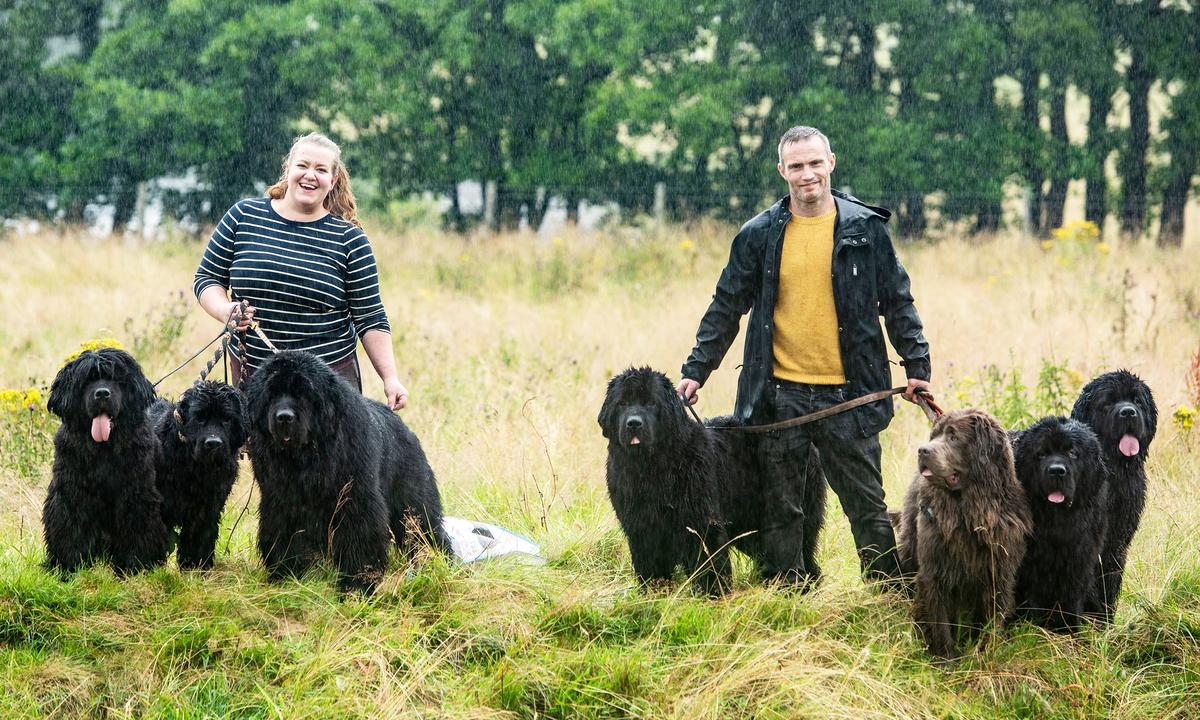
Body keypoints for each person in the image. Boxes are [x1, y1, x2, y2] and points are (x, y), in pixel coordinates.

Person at [676, 125, 931, 586]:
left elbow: (897, 302)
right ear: (782, 171)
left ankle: (886, 593)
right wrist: (696, 370)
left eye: (815, 163)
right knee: (781, 507)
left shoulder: (866, 230)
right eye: (796, 166)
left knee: (867, 506)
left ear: (831, 163)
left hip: (850, 396)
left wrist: (917, 367)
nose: (807, 174)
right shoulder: (758, 235)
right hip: (780, 396)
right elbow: (726, 306)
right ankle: (786, 592)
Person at [194, 132, 409, 410]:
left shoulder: (350, 240)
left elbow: (370, 316)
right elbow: (208, 277)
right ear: (288, 170)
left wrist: (390, 378)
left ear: (333, 180)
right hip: (256, 378)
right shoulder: (243, 216)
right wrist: (225, 310)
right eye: (303, 165)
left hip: (326, 385)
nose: (310, 175)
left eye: (321, 170)